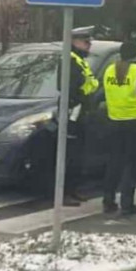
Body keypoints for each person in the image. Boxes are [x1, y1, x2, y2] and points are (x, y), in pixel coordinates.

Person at [101, 40, 136, 215]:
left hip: (114, 119)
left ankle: (108, 200)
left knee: (113, 162)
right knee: (130, 164)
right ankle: (127, 204)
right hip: (134, 121)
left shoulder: (110, 69)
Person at [61, 26, 100, 205]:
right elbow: (69, 88)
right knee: (70, 156)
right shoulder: (70, 61)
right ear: (74, 42)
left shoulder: (78, 60)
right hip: (73, 114)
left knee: (78, 155)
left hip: (81, 112)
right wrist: (80, 100)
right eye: (85, 42)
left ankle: (73, 189)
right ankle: (65, 193)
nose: (89, 45)